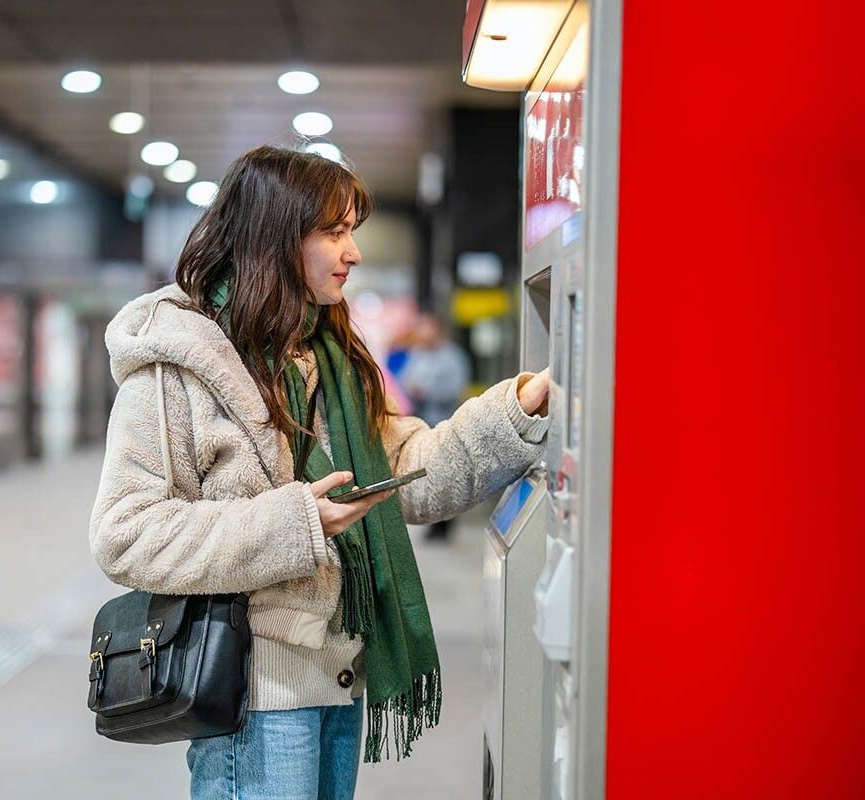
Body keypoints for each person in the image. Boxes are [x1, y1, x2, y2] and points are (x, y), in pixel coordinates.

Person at [89, 145, 549, 800]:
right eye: (333, 232)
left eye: (351, 231)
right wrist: (297, 521)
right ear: (275, 238)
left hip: (338, 676)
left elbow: (412, 469)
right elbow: (125, 533)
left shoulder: (330, 355)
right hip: (254, 694)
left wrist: (518, 407)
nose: (352, 252)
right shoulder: (176, 364)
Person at [397, 313, 473, 541]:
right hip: (422, 423)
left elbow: (456, 388)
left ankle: (445, 525)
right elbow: (404, 379)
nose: (423, 334)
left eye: (427, 328)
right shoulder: (418, 354)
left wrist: (428, 392)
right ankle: (432, 522)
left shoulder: (453, 357)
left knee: (449, 474)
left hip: (445, 421)